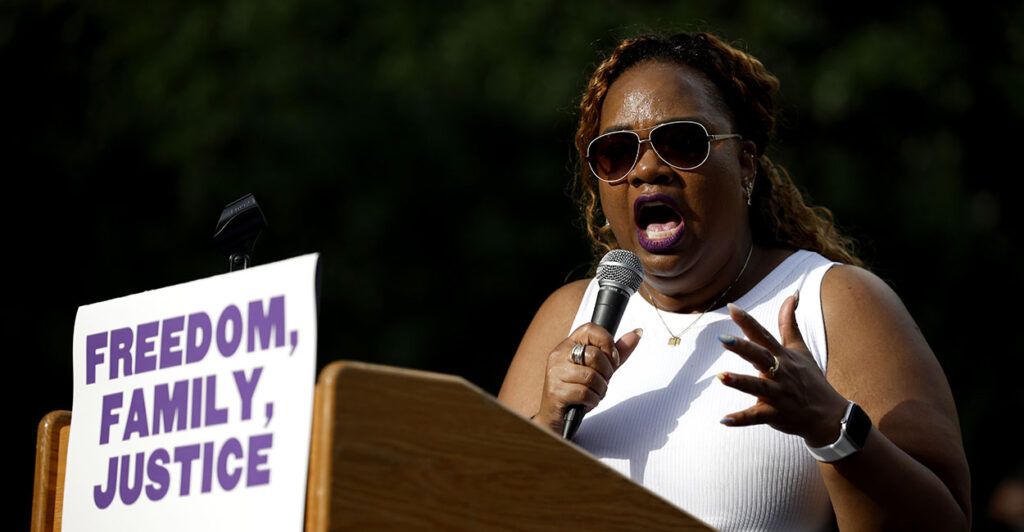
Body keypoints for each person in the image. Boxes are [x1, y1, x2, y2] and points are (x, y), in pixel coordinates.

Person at [497, 32, 970, 530]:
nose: (647, 169)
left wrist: (831, 424)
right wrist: (547, 424)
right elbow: (470, 508)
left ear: (745, 165)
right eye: (617, 152)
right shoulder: (568, 316)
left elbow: (946, 524)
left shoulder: (832, 302)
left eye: (683, 143)